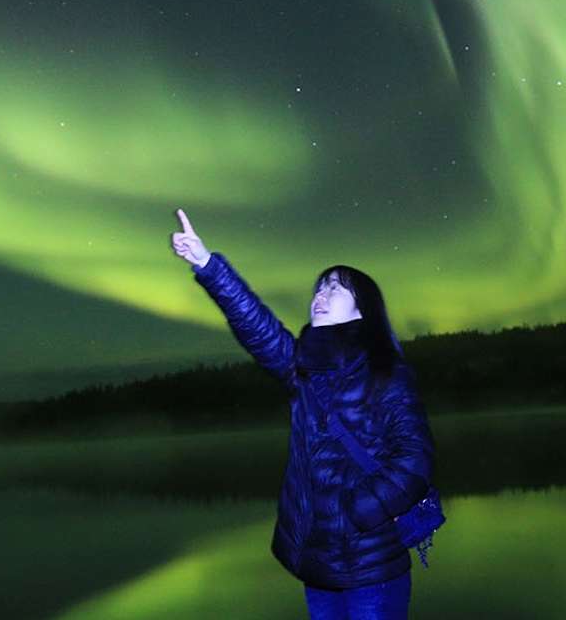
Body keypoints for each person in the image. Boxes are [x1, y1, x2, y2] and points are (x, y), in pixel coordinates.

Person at [170, 208, 436, 620]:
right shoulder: (305, 372)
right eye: (319, 288)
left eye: (334, 289)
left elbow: (414, 462)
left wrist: (355, 512)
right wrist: (207, 264)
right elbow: (258, 328)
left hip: (372, 570)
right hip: (319, 568)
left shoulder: (388, 374)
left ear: (361, 310)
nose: (320, 295)